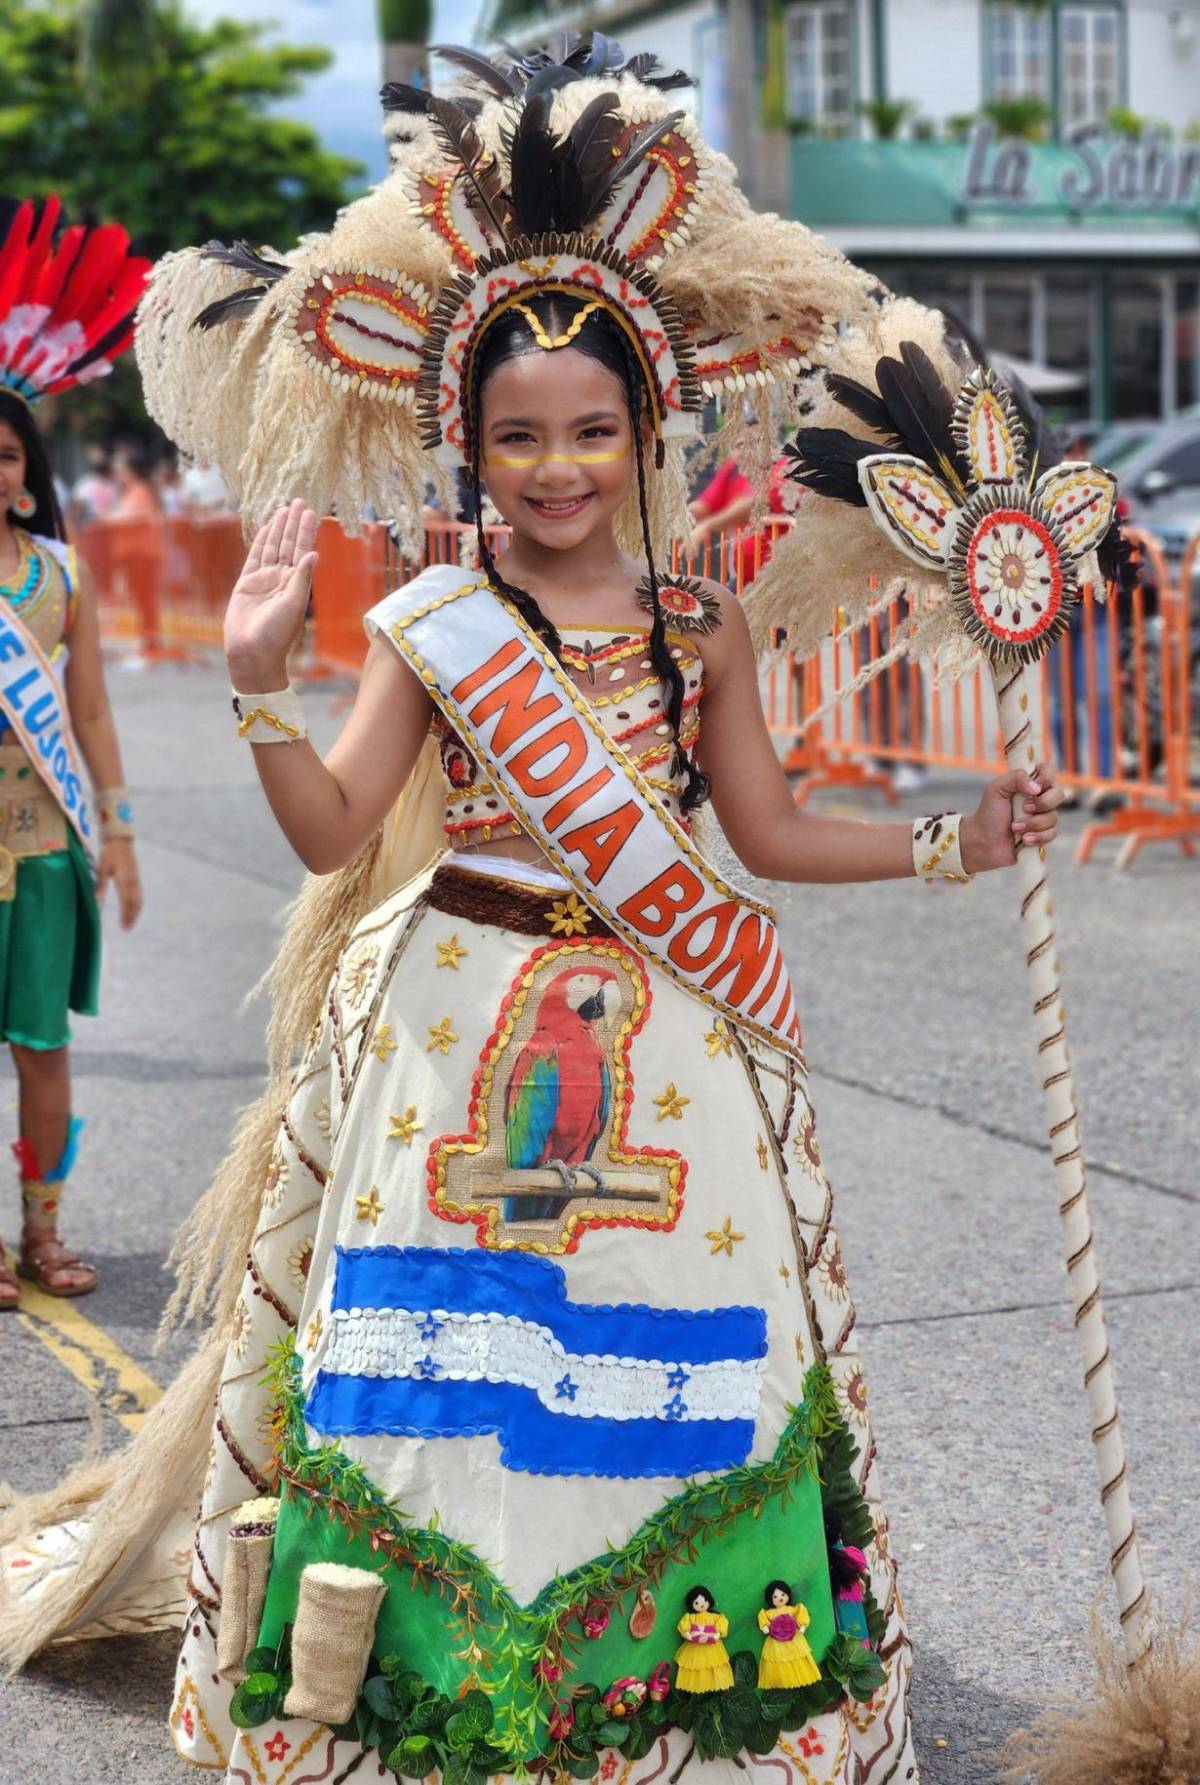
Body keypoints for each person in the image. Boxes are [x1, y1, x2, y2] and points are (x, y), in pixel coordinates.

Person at [0, 45, 1064, 1785]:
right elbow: (336, 826)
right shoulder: (434, 616)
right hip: (449, 1029)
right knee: (450, 1363)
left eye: (588, 430)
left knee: (669, 1350)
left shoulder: (704, 619)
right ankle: (411, 1680)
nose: (554, 467)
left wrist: (961, 843)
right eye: (516, 436)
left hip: (669, 1039)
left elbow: (776, 832)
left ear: (646, 429)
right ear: (465, 442)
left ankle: (681, 1687)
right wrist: (265, 689)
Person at [0, 197, 146, 1305]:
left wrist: (122, 833)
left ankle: (43, 1234)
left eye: (5, 457)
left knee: (43, 1050)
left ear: (26, 468)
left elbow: (90, 711)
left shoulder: (61, 576)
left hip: (45, 847)